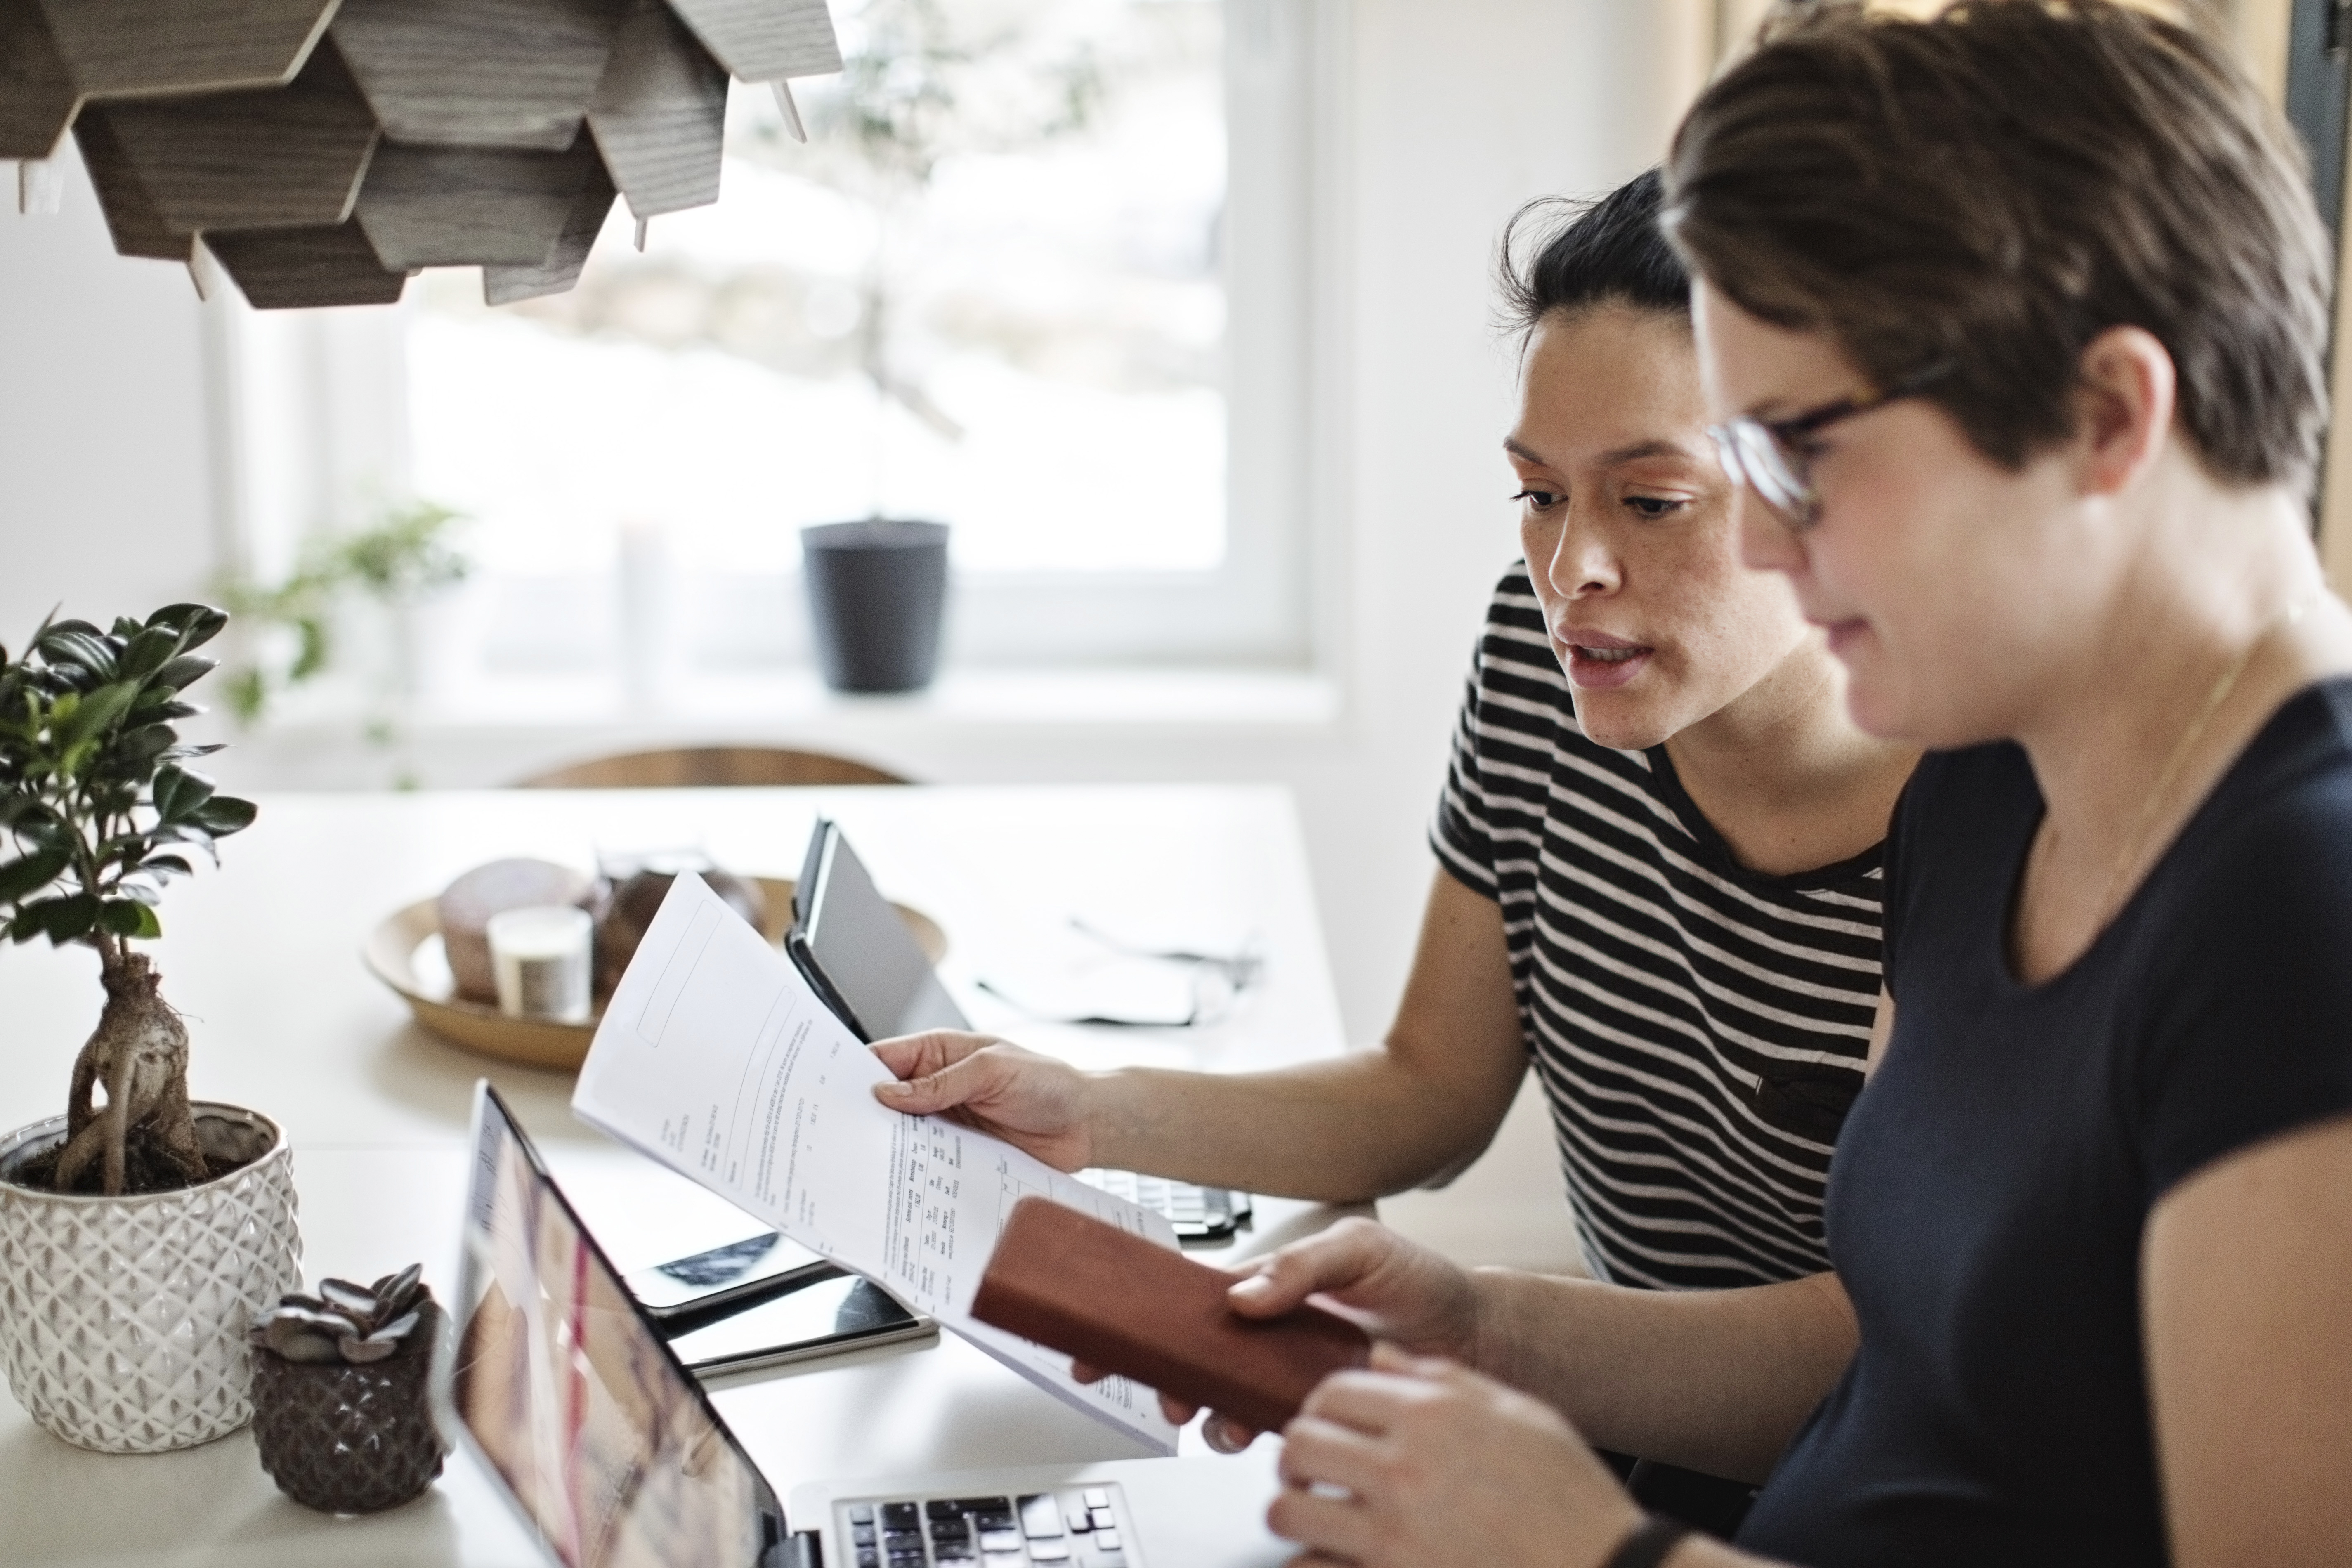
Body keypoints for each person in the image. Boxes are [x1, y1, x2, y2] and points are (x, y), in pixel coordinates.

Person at [1149, 5, 2352, 1567]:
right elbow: (1883, 1370)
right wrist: (1473, 1325)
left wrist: (1600, 1553)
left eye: (1808, 459)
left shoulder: (2303, 907)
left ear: (2108, 417)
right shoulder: (1994, 778)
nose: (1771, 549)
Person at [874, 165, 1917, 1530]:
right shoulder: (1546, 662)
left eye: (1650, 503)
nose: (1570, 572)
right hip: (1614, 1444)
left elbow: (1891, 1353)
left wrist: (1476, 1331)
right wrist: (1093, 1108)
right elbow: (1430, 1086)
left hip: (1837, 1505)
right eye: (1538, 496)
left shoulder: (1979, 810)